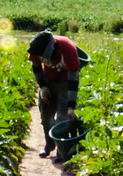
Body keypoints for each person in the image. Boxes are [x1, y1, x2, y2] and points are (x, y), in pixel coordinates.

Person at [26, 31, 81, 161]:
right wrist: (42, 86)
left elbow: (74, 79)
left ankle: (61, 150)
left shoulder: (68, 49)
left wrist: (71, 107)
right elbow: (36, 66)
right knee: (45, 116)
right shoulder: (36, 47)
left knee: (62, 117)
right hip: (48, 79)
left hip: (65, 82)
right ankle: (49, 144)